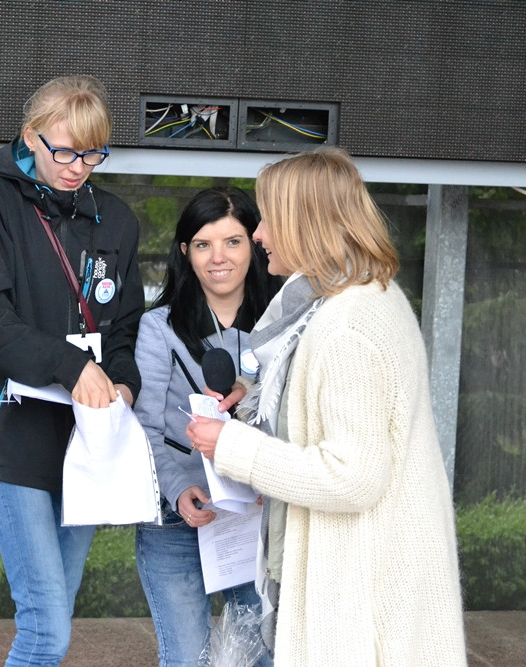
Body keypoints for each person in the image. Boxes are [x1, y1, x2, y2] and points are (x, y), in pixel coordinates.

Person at [186, 147, 467, 666]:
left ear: (303, 223)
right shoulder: (367, 298)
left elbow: (353, 476)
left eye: (268, 218)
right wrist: (263, 399)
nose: (260, 234)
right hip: (375, 577)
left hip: (361, 597)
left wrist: (233, 446)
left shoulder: (345, 326)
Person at [0, 74, 144, 666]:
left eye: (92, 154)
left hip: (86, 444)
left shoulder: (116, 220)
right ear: (30, 136)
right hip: (14, 437)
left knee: (54, 621)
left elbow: (123, 330)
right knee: (46, 631)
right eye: (63, 151)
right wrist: (71, 366)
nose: (77, 168)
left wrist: (124, 385)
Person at [133, 187, 279, 666]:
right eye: (203, 244)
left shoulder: (282, 327)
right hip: (176, 516)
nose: (219, 258)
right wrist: (178, 489)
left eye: (233, 242)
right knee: (185, 659)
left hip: (254, 515)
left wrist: (271, 477)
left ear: (256, 244)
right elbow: (144, 426)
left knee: (263, 655)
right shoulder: (158, 328)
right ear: (185, 252)